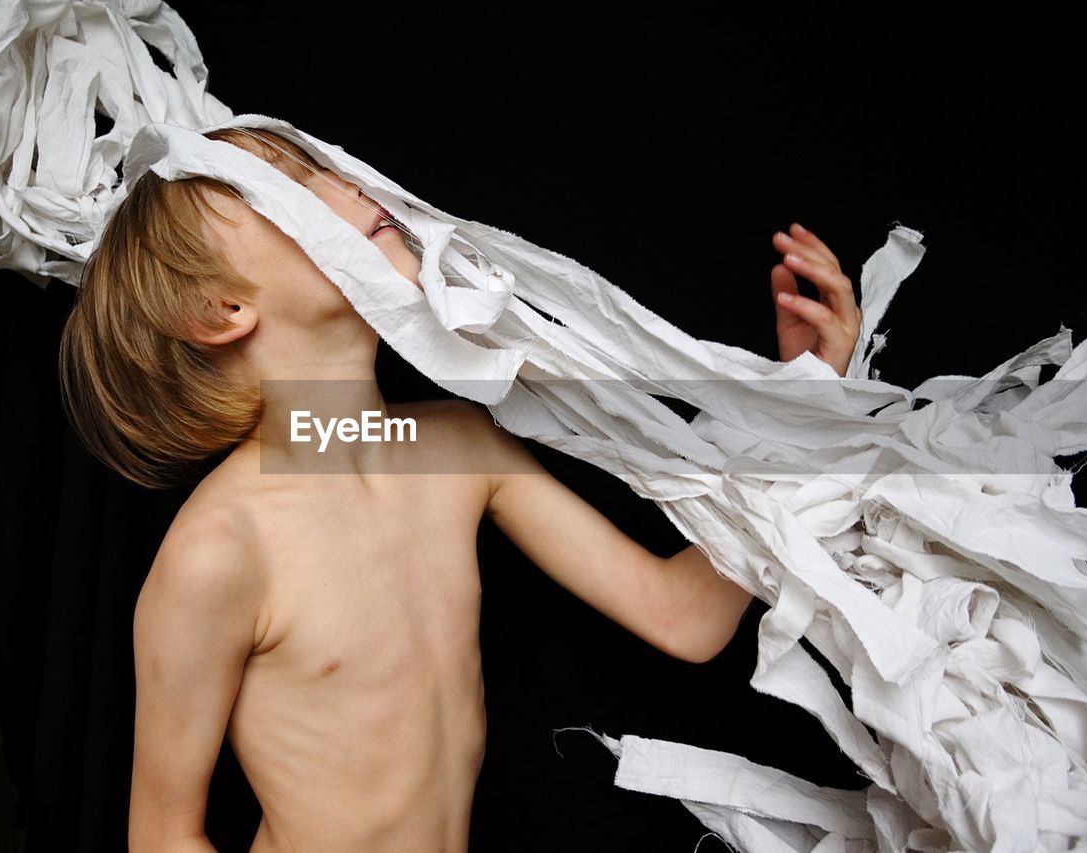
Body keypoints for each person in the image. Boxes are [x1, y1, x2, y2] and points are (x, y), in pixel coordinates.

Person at [58, 127, 863, 852]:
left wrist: (801, 399)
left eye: (335, 166)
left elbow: (682, 616)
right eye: (299, 190)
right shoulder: (218, 555)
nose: (355, 185)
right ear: (221, 308)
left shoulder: (453, 446)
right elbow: (162, 835)